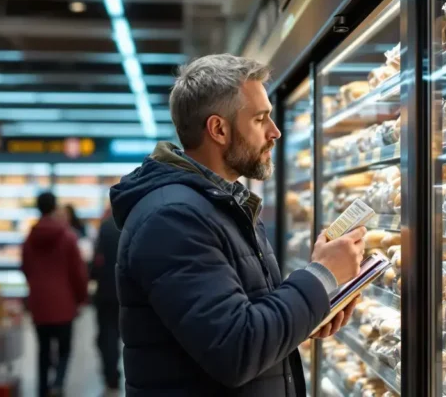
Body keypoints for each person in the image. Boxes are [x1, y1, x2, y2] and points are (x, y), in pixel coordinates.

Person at [108, 54, 366, 396]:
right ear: (218, 129)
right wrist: (321, 275)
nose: (274, 132)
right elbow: (237, 349)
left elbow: (246, 318)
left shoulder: (223, 205)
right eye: (260, 119)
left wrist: (312, 309)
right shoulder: (171, 219)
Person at [22, 192, 88, 397]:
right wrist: (81, 297)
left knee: (42, 349)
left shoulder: (30, 237)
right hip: (64, 302)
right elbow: (77, 271)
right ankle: (58, 383)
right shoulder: (68, 236)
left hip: (39, 302)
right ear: (54, 207)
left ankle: (43, 389)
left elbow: (25, 267)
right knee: (65, 349)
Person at [90, 214, 122, 394]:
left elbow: (97, 258)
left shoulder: (105, 226)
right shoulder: (131, 222)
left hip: (105, 290)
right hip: (126, 289)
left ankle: (111, 377)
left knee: (107, 336)